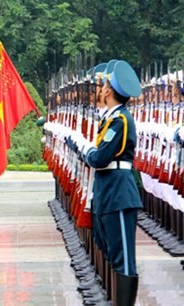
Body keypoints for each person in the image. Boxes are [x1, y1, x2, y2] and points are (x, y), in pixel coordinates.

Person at [80, 60, 143, 305]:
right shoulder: (110, 119)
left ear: (108, 91)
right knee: (108, 248)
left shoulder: (121, 121)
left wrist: (87, 150)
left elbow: (100, 157)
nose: (97, 90)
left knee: (123, 258)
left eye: (101, 86)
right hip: (107, 189)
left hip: (118, 191)